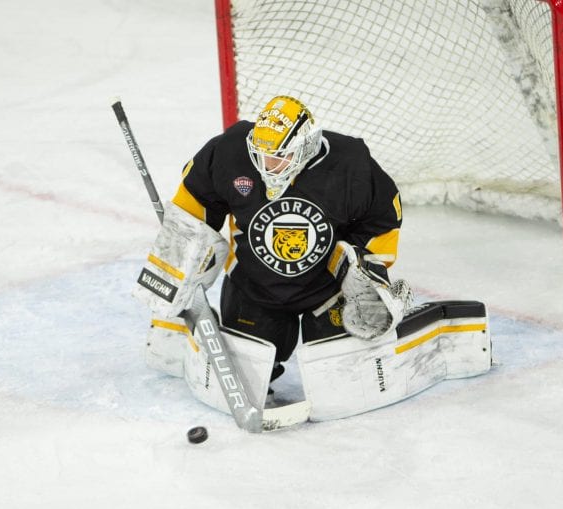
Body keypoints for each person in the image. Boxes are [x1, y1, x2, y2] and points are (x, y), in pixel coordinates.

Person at [135, 95, 411, 385]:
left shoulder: (349, 164)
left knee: (341, 376)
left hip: (328, 290)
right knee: (249, 373)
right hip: (254, 288)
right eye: (262, 155)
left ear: (305, 146)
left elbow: (383, 217)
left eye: (279, 156)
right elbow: (195, 199)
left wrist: (366, 264)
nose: (267, 165)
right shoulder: (230, 151)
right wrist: (179, 252)